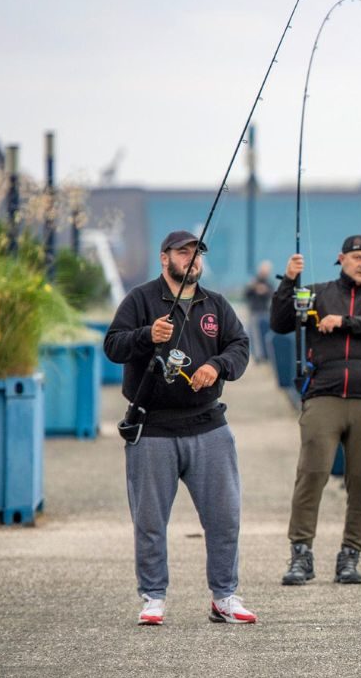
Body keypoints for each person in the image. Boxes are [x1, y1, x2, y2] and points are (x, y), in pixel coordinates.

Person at [103, 230, 256, 626]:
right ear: (164, 258)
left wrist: (217, 365)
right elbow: (113, 345)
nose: (191, 259)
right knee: (150, 521)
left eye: (196, 253)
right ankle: (153, 597)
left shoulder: (216, 305)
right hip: (152, 427)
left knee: (225, 517)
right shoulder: (140, 300)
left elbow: (240, 346)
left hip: (209, 425)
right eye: (182, 252)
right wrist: (145, 335)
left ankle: (224, 597)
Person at [270, 234, 361, 586]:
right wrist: (289, 281)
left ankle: (350, 556)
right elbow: (280, 322)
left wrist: (344, 321)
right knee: (311, 473)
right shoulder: (316, 292)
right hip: (323, 395)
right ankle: (301, 554)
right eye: (357, 257)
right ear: (341, 259)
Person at [244, 260, 274, 362]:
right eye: (263, 270)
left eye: (266, 271)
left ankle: (266, 355)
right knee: (255, 335)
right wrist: (254, 287)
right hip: (254, 312)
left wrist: (265, 290)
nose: (264, 272)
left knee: (265, 334)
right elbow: (246, 294)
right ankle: (258, 356)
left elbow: (272, 294)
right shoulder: (253, 282)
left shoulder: (269, 283)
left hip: (265, 312)